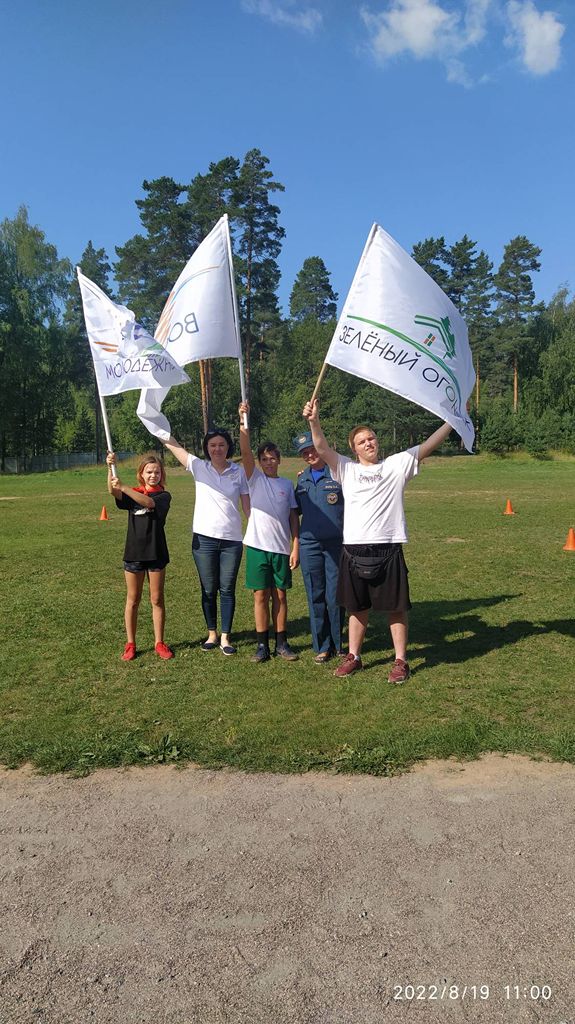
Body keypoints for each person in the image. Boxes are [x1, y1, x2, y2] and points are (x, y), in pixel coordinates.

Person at [302, 398, 453, 682]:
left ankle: (400, 661)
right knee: (357, 608)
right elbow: (321, 448)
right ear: (354, 449)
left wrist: (451, 422)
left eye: (371, 438)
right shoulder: (346, 469)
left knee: (396, 608)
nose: (368, 443)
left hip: (388, 548)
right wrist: (314, 421)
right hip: (354, 549)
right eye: (362, 441)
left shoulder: (397, 465)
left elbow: (427, 446)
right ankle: (354, 656)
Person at [162, 428, 250, 656]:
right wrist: (155, 425)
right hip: (204, 541)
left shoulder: (239, 472)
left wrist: (254, 533)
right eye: (212, 445)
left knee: (227, 589)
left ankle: (225, 637)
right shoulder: (198, 466)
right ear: (207, 448)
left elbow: (247, 506)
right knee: (209, 589)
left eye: (221, 444)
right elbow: (174, 446)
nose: (217, 449)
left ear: (228, 447)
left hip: (231, 541)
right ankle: (212, 633)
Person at [238, 401, 300, 663]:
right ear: (260, 462)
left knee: (280, 596)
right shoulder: (254, 479)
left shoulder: (287, 484)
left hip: (281, 549)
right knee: (260, 596)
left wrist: (295, 546)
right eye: (264, 459)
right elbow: (245, 452)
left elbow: (293, 517)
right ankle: (262, 645)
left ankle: (281, 643)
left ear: (279, 460)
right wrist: (243, 422)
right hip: (257, 547)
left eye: (272, 458)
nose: (269, 462)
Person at [106, 451, 174, 662]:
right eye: (149, 472)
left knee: (157, 599)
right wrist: (110, 467)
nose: (153, 475)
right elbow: (113, 491)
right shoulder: (133, 493)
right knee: (133, 599)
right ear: (141, 474)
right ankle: (131, 643)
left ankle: (159, 642)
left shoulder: (163, 496)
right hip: (134, 553)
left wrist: (124, 487)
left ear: (161, 475)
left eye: (157, 472)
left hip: (156, 552)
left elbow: (149, 503)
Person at [293, 430, 345, 664]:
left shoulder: (337, 474)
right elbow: (295, 511)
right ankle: (322, 646)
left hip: (336, 544)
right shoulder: (302, 480)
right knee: (315, 594)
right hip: (309, 545)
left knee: (335, 595)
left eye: (312, 449)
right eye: (304, 452)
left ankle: (339, 644)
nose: (309, 455)